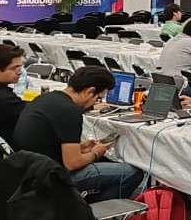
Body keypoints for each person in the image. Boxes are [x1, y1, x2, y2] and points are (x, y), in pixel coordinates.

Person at [11, 66, 142, 203]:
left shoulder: (46, 98)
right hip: (49, 178)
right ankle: (88, 211)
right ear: (90, 91)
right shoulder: (69, 111)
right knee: (132, 172)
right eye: (98, 98)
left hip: (28, 170)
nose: (95, 103)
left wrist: (81, 148)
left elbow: (46, 142)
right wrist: (96, 153)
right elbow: (72, 163)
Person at [0, 44, 28, 143]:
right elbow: (35, 113)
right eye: (14, 68)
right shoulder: (2, 98)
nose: (20, 72)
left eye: (20, 67)